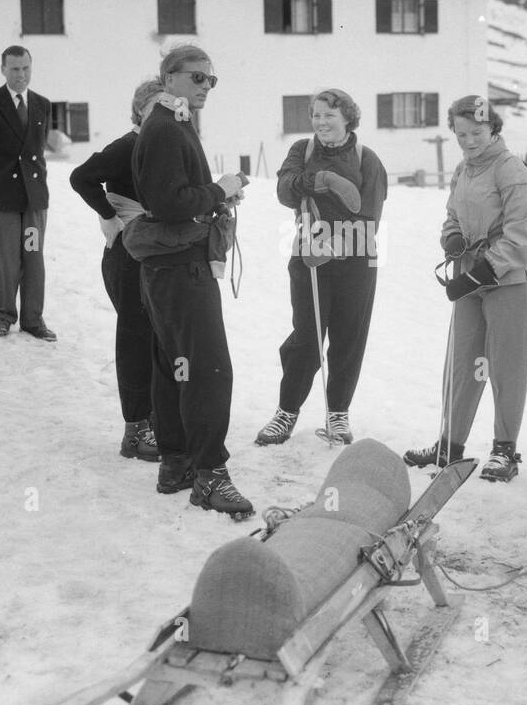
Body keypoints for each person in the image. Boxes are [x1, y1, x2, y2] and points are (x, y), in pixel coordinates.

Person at [129, 45, 253, 518]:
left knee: (173, 365)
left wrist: (214, 199)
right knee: (209, 371)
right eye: (198, 78)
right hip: (181, 267)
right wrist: (218, 190)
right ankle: (209, 475)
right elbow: (170, 202)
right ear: (170, 79)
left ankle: (176, 464)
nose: (206, 87)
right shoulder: (164, 128)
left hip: (170, 267)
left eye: (211, 80)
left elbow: (177, 197)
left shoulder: (171, 123)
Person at [404, 96, 527, 482]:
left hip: (511, 283)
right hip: (470, 279)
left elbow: (519, 239)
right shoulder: (464, 170)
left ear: (493, 129)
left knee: (505, 367)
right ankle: (450, 446)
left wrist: (482, 272)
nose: (468, 141)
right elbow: (452, 213)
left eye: (476, 133)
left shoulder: (511, 172)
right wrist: (451, 238)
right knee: (463, 363)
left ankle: (504, 452)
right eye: (461, 134)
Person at [256, 89, 388, 446]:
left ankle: (338, 414)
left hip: (356, 258)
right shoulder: (303, 151)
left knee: (348, 338)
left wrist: (330, 246)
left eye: (329, 115)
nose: (320, 121)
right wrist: (320, 181)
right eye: (315, 115)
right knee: (307, 337)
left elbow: (370, 216)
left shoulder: (367, 159)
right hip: (306, 256)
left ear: (348, 117)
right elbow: (285, 190)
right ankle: (287, 411)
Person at [69, 79, 165, 464]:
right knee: (135, 337)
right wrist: (110, 216)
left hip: (153, 252)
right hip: (127, 256)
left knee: (157, 337)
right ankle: (135, 430)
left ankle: (155, 420)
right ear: (140, 110)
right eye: (155, 105)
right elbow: (81, 177)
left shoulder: (161, 146)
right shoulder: (129, 145)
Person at [0, 46, 54, 340]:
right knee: (5, 259)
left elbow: (37, 149)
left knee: (33, 255)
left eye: (26, 68)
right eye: (15, 69)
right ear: (3, 69)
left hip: (33, 199)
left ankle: (33, 319)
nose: (21, 75)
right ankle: (3, 315)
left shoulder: (42, 104)